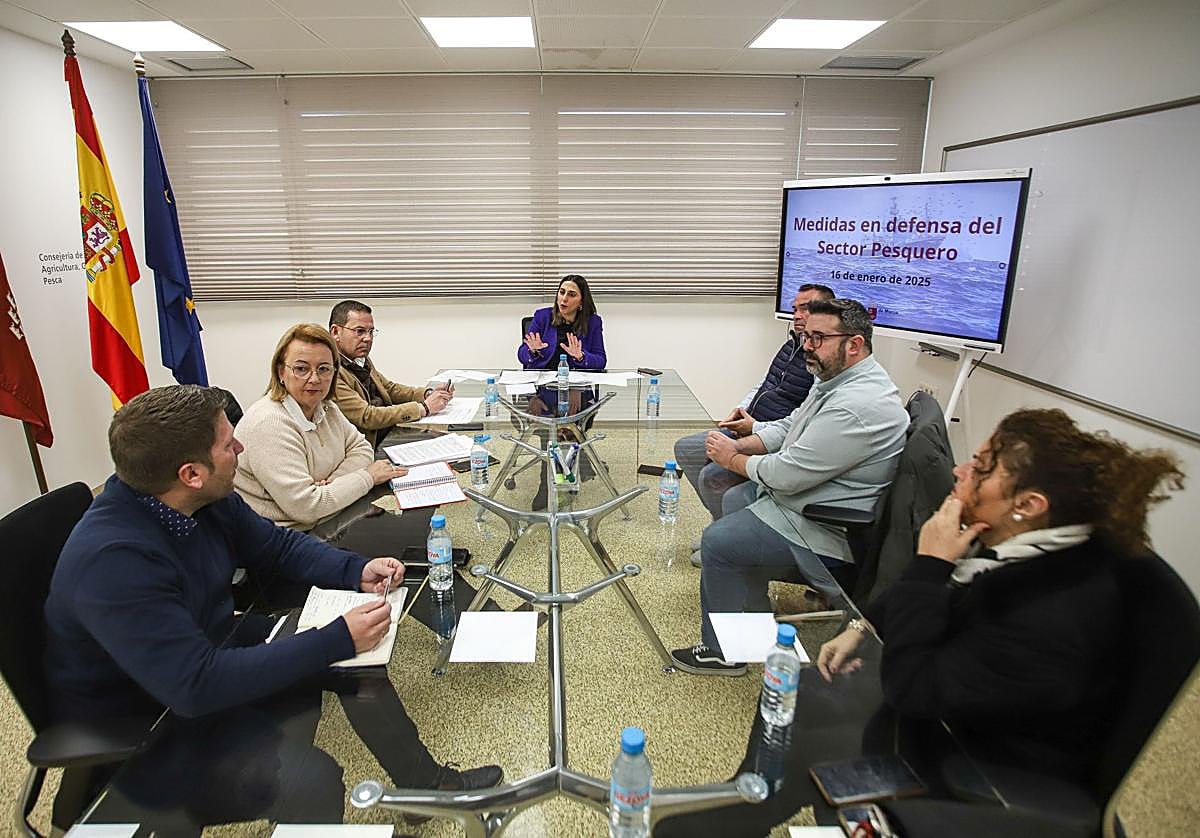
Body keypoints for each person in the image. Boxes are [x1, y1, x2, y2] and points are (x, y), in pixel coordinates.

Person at [655, 408, 1185, 836]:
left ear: (1028, 503)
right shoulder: (1030, 535)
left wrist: (932, 564)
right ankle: (751, 799)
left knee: (820, 717)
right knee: (806, 687)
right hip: (960, 703)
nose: (959, 472)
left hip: (985, 761)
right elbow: (925, 599)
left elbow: (912, 687)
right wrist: (861, 627)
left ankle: (755, 807)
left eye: (980, 468)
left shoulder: (1056, 613)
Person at [43, 385, 502, 829]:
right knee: (314, 779)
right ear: (191, 472)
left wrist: (354, 571)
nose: (240, 446)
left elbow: (278, 548)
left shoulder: (198, 498)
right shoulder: (114, 560)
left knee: (356, 662)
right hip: (147, 726)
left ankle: (425, 790)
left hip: (204, 649)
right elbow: (194, 686)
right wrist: (335, 636)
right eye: (228, 443)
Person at [671, 299, 908, 676]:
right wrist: (740, 445)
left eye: (818, 337)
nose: (807, 346)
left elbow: (788, 474)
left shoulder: (856, 405)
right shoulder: (837, 378)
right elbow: (791, 426)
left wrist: (733, 459)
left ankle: (721, 653)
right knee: (734, 497)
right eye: (806, 336)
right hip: (805, 502)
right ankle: (751, 614)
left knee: (720, 541)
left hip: (825, 529)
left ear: (854, 344)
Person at [674, 283, 835, 566]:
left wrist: (756, 427)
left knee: (712, 475)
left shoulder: (824, 361)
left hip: (769, 436)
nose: (797, 315)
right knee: (687, 448)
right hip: (749, 423)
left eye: (805, 308)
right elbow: (765, 383)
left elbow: (800, 419)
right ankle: (721, 524)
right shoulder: (790, 345)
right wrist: (740, 411)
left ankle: (727, 539)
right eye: (795, 308)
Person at [234, 323, 407, 531]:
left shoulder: (326, 407)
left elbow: (361, 448)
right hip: (283, 541)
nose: (314, 379)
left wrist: (333, 485)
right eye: (301, 369)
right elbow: (308, 508)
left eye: (323, 369)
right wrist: (367, 477)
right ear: (281, 371)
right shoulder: (269, 423)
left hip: (331, 520)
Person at [329, 299, 454, 450]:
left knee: (450, 439)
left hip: (390, 432)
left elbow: (389, 389)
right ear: (336, 332)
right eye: (359, 331)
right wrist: (424, 408)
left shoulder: (359, 359)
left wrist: (427, 394)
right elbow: (367, 416)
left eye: (370, 332)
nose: (368, 338)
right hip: (370, 446)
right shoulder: (329, 371)